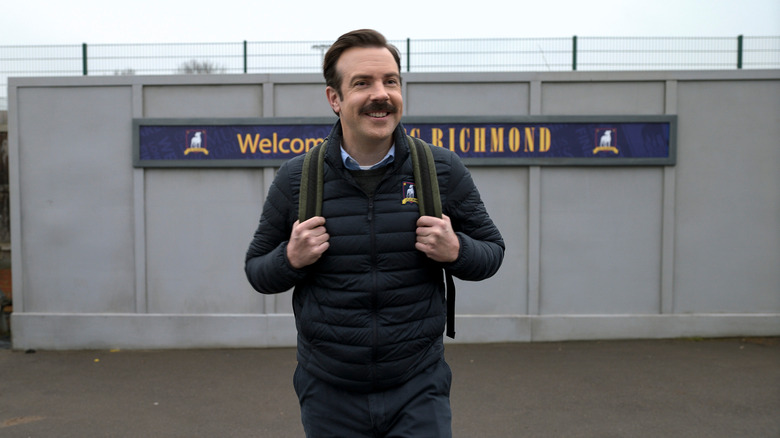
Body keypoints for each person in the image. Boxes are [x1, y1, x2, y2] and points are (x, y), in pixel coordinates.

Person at [245, 29, 504, 438]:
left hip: (419, 387)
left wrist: (456, 250)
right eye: (362, 83)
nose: (380, 94)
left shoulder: (440, 170)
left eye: (391, 81)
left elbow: (492, 252)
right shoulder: (297, 179)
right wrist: (290, 259)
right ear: (335, 98)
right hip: (329, 391)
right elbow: (257, 271)